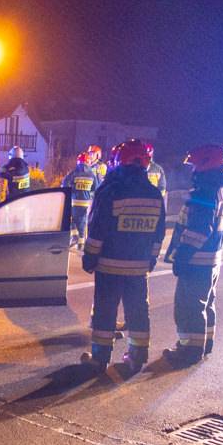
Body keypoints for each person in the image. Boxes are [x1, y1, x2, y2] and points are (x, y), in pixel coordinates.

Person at [81, 139, 166, 373]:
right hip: (138, 268)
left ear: (118, 162)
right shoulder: (154, 194)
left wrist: (89, 257)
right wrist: (150, 260)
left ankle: (100, 358)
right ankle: (137, 356)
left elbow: (97, 229)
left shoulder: (110, 191)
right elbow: (159, 234)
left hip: (109, 266)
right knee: (138, 311)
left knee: (105, 312)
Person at [163, 145, 223, 367]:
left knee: (189, 307)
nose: (192, 169)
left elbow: (200, 228)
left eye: (195, 165)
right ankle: (205, 342)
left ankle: (189, 351)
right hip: (212, 259)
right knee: (206, 304)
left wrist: (182, 255)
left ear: (205, 163)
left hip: (197, 260)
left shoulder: (205, 191)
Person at [62, 152, 98, 250]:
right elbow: (95, 188)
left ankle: (74, 237)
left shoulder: (74, 172)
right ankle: (81, 243)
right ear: (88, 162)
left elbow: (65, 183)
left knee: (72, 220)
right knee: (82, 222)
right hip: (85, 203)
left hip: (74, 201)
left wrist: (71, 190)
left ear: (79, 161)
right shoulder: (91, 174)